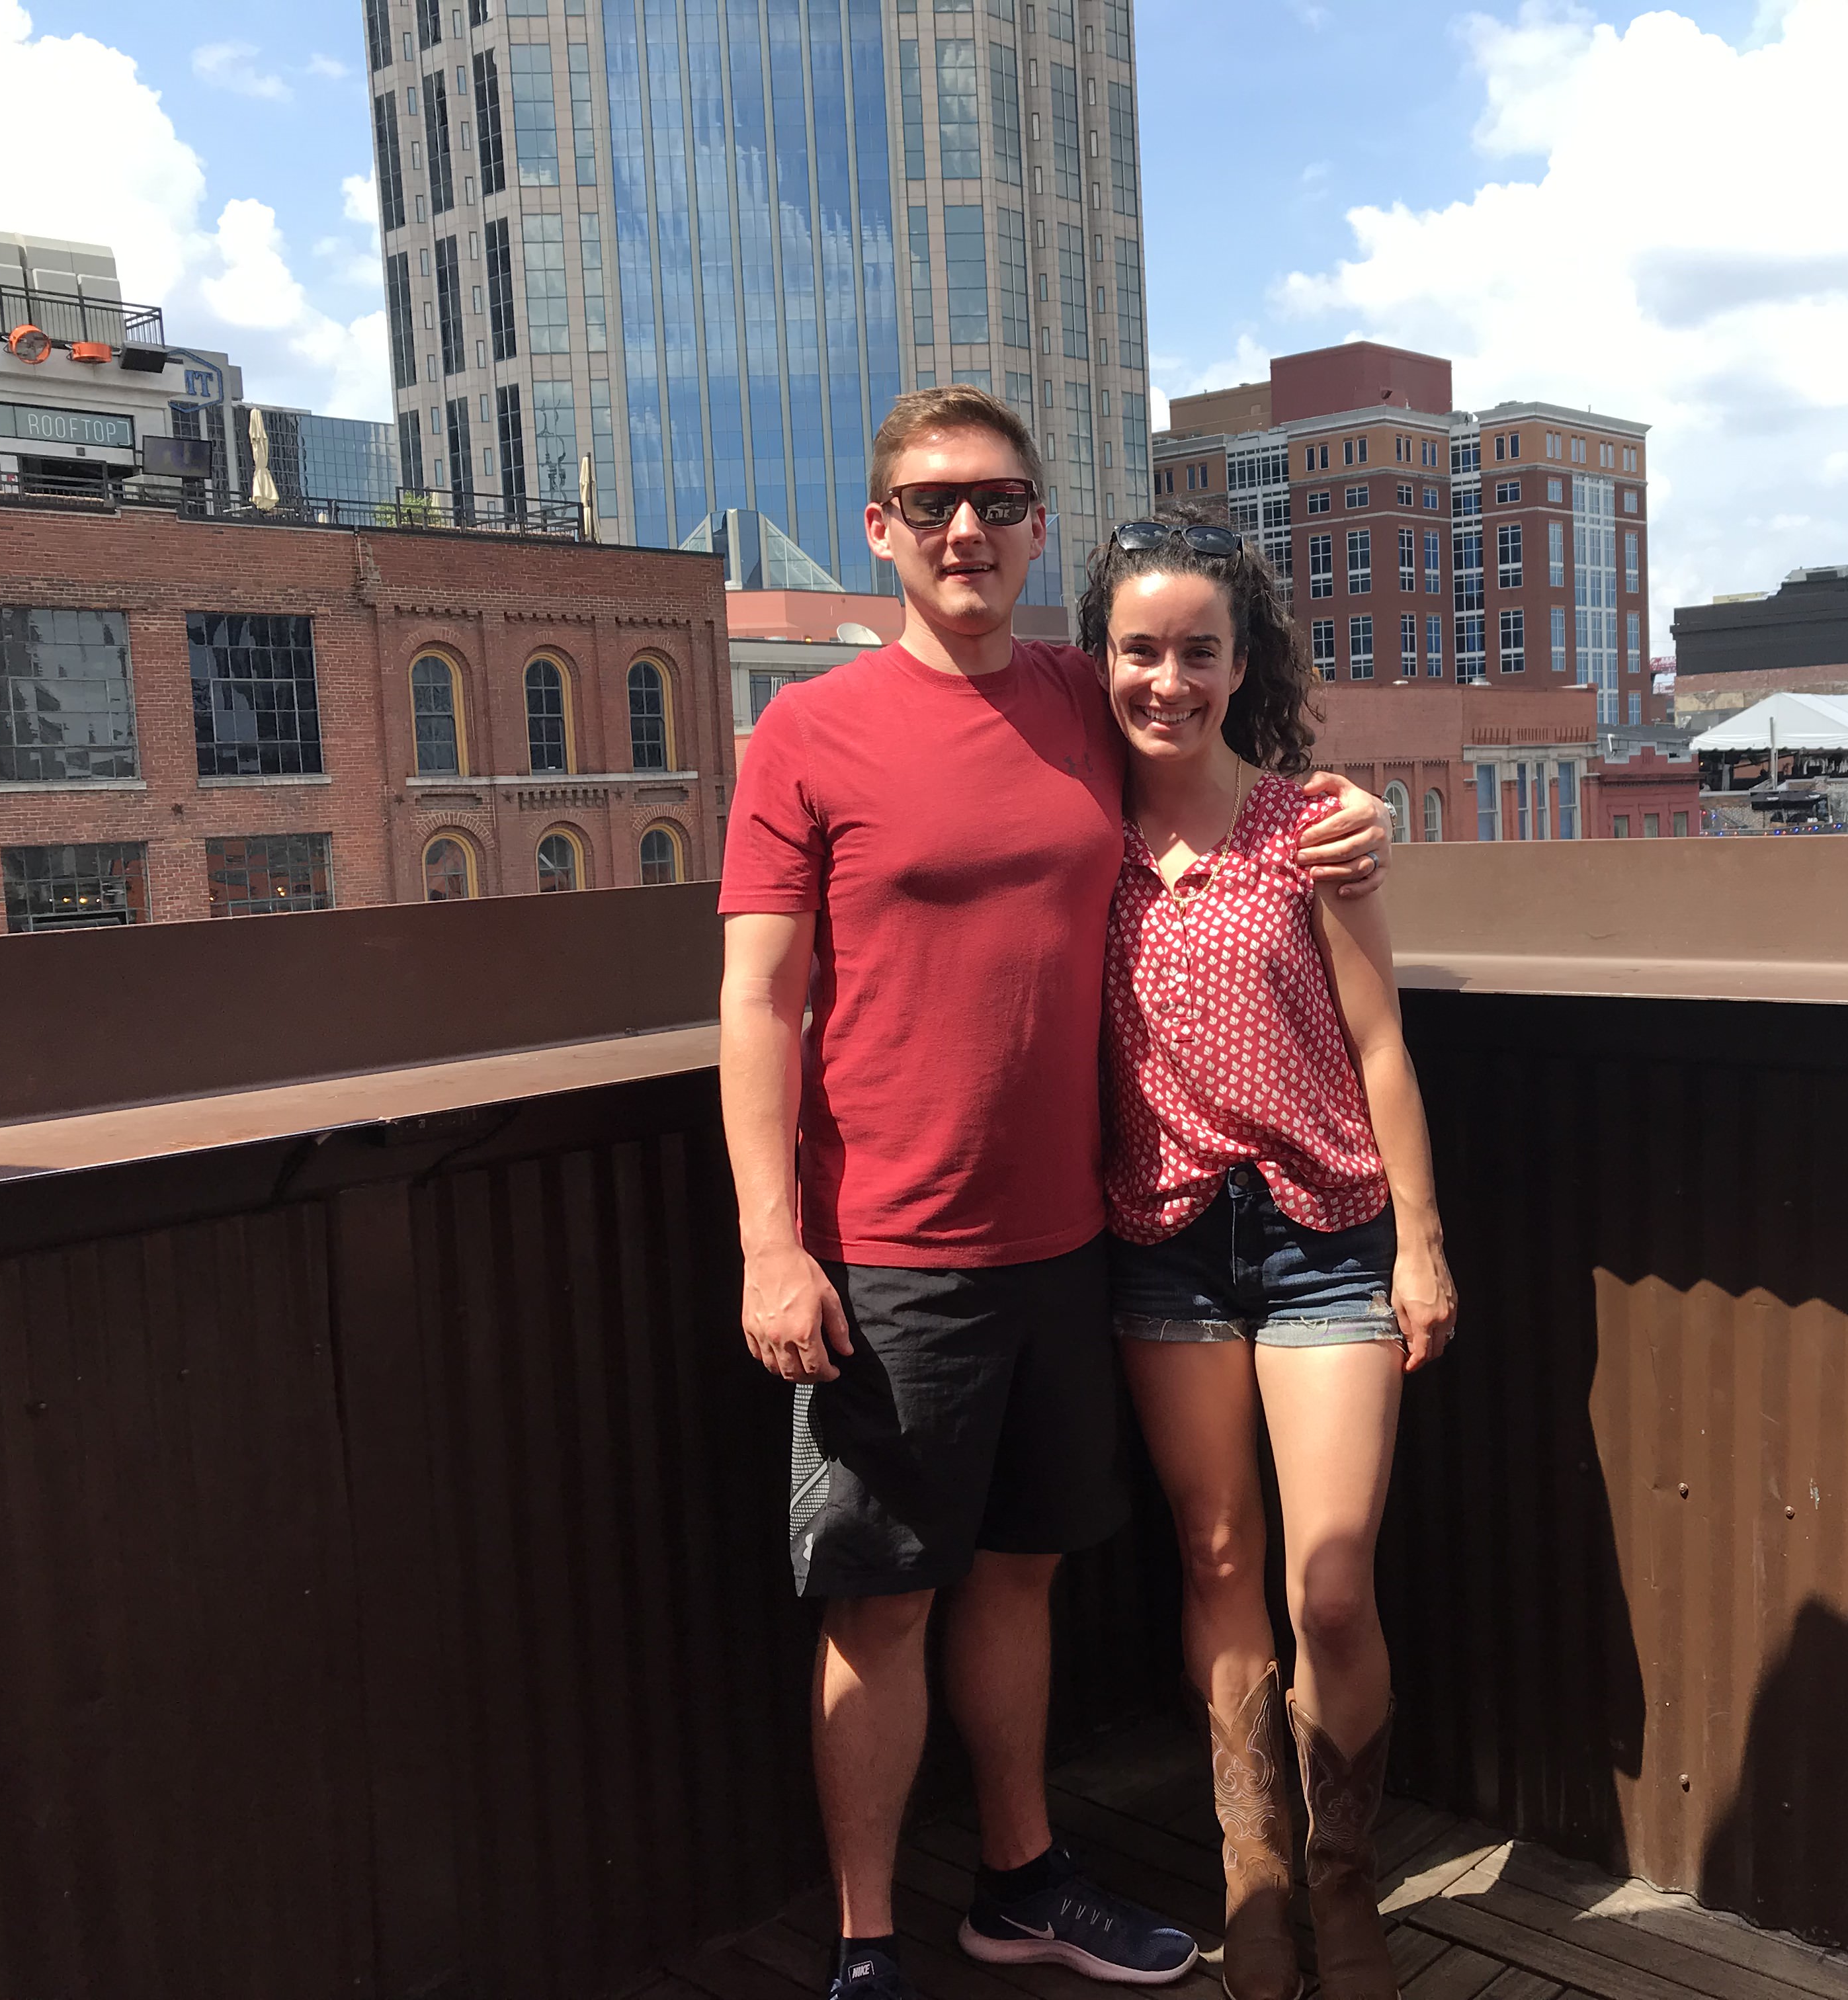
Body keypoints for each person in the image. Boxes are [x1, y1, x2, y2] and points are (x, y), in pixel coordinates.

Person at [716, 387, 1392, 2000]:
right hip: (887, 1251)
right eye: (932, 503)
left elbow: (1217, 739)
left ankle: (1019, 1881)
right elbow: (757, 1000)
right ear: (881, 528)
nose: (966, 529)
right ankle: (866, 1943)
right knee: (881, 1603)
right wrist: (770, 1245)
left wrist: (1354, 813)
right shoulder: (807, 732)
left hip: (1083, 1242)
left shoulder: (1085, 695)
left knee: (1020, 1572)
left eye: (999, 501)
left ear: (1037, 528)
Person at [1080, 519, 1459, 2000]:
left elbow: (1380, 1039)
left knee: (1333, 1584)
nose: (1168, 680)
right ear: (1101, 661)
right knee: (1219, 1558)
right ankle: (1256, 1877)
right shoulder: (1074, 836)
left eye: (1199, 650)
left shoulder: (1314, 827)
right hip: (1161, 1243)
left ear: (1245, 664)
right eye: (1139, 650)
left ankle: (1345, 1879)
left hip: (1324, 1233)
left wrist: (1421, 1244)